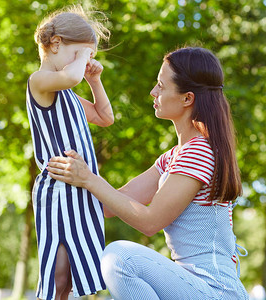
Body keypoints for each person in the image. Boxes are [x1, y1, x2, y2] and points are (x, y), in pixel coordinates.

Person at [47, 47, 249, 299]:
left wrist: (88, 178)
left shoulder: (199, 152)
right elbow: (111, 205)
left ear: (187, 99)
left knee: (120, 258)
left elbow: (150, 221)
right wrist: (93, 83)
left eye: (161, 86)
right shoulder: (173, 157)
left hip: (215, 291)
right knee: (116, 258)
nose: (153, 92)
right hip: (191, 286)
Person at [26, 5, 113, 300]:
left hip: (80, 190)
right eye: (82, 53)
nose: (86, 61)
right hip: (57, 190)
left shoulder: (69, 94)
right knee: (57, 275)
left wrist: (95, 80)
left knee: (75, 277)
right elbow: (71, 77)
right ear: (56, 44)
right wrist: (81, 64)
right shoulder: (39, 82)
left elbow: (105, 117)